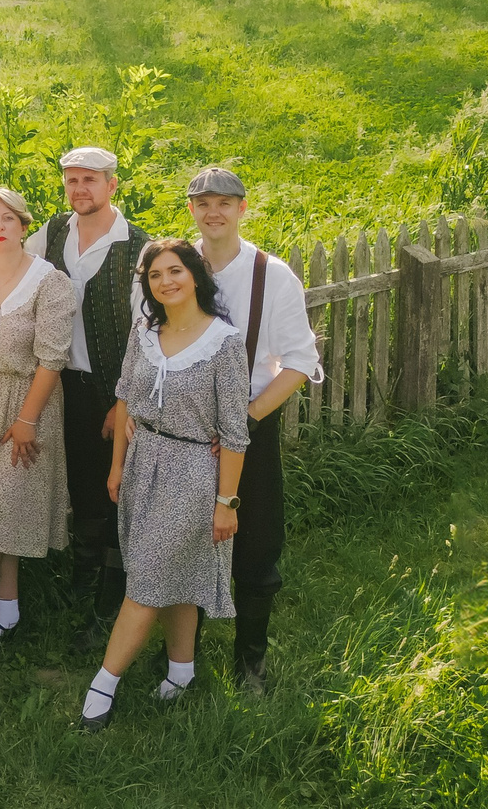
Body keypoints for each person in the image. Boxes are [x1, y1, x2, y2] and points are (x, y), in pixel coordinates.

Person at [79, 237, 250, 730]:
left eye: (175, 271)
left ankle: (102, 685)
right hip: (142, 461)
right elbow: (126, 398)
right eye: (155, 275)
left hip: (193, 472)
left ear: (195, 275)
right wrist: (116, 467)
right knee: (176, 575)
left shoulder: (224, 343)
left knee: (146, 582)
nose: (166, 282)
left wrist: (227, 503)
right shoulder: (145, 331)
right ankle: (182, 672)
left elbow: (235, 435)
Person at [184, 166, 322, 695]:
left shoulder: (273, 275)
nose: (213, 211)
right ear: (192, 210)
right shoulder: (178, 267)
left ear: (243, 208)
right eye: (203, 203)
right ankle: (182, 660)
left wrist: (246, 419)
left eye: (224, 202)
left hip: (251, 423)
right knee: (188, 536)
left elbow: (299, 361)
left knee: (257, 541)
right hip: (187, 429)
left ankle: (250, 663)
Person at [0, 186, 73, 643]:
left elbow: (52, 359)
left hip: (26, 401)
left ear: (24, 225)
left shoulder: (49, 281)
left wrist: (26, 420)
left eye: (7, 219)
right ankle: (8, 602)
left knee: (4, 505)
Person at [38, 144, 143, 633]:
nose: (79, 189)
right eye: (72, 181)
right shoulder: (54, 232)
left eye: (90, 180)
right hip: (65, 385)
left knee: (117, 486)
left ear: (112, 185)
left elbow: (148, 335)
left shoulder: (138, 247)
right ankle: (82, 578)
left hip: (114, 389)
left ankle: (115, 589)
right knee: (82, 484)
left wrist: (123, 403)